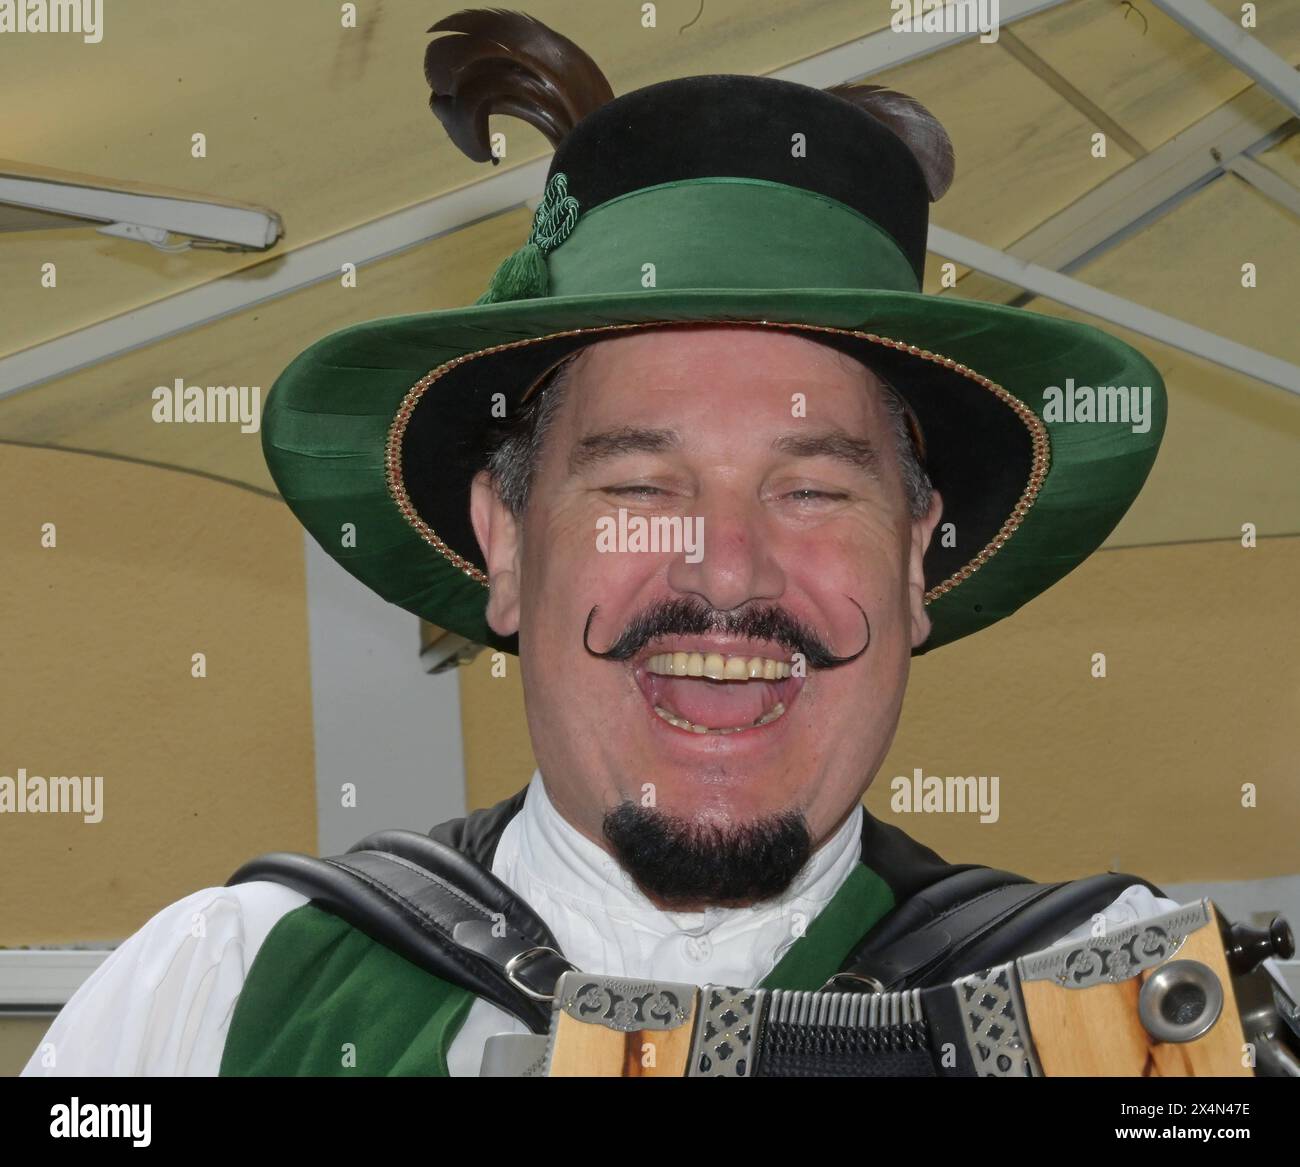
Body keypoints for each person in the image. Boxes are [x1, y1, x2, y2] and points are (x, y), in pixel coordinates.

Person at [24, 9, 1173, 1077]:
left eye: (813, 490)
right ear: (507, 546)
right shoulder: (211, 1002)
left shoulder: (1125, 1011)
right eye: (637, 481)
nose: (726, 569)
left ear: (916, 559)